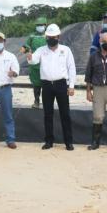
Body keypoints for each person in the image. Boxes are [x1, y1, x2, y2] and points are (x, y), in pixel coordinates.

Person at [26, 23, 76, 151]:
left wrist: (71, 86)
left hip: (61, 84)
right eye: (49, 37)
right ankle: (49, 141)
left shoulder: (66, 50)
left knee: (65, 114)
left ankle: (68, 142)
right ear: (46, 37)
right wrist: (30, 57)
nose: (51, 39)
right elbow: (33, 61)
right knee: (47, 114)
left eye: (54, 36)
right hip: (47, 85)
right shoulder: (41, 50)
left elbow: (72, 68)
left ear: (58, 36)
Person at [21, 17, 47, 109]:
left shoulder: (48, 36)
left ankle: (46, 102)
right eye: (38, 25)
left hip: (46, 64)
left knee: (46, 84)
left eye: (41, 25)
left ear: (45, 26)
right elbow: (25, 47)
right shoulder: (32, 36)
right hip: (34, 65)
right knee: (36, 84)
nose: (39, 27)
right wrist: (26, 51)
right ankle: (36, 101)